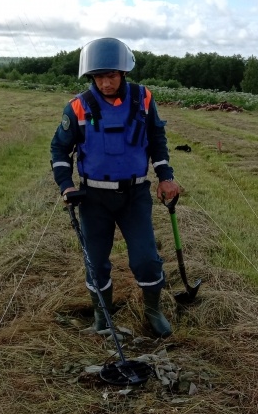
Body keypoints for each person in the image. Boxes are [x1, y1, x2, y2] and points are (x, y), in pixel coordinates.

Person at [50, 37, 180, 338]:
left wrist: (166, 176)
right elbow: (59, 150)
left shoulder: (143, 99)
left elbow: (157, 140)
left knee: (146, 260)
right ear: (90, 77)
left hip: (135, 196)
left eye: (111, 75)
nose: (105, 83)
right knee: (95, 263)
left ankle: (153, 311)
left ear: (123, 73)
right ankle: (101, 317)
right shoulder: (77, 108)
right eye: (99, 77)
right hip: (94, 199)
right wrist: (66, 186)